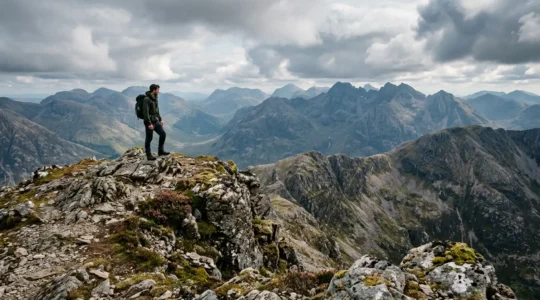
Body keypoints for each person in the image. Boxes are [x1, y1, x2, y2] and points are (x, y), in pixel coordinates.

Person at [142, 84, 169, 160]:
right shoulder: (146, 99)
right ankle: (148, 155)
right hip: (149, 122)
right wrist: (149, 123)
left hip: (155, 120)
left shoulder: (155, 98)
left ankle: (160, 151)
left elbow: (157, 110)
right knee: (149, 138)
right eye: (158, 90)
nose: (158, 91)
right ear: (154, 90)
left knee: (163, 133)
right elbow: (145, 112)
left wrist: (160, 119)